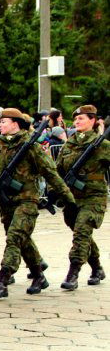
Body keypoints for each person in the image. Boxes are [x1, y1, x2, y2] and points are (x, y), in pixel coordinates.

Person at [0, 109, 75, 298]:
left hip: (27, 201)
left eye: (4, 122)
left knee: (14, 238)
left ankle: (3, 280)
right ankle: (39, 276)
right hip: (6, 203)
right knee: (23, 242)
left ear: (15, 123)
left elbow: (50, 173)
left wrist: (69, 200)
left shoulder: (30, 147)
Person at [55, 105, 109, 289]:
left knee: (82, 231)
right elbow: (58, 169)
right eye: (76, 119)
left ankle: (73, 273)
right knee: (81, 233)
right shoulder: (69, 143)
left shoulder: (103, 145)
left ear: (93, 121)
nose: (77, 122)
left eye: (81, 119)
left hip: (94, 196)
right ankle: (97, 268)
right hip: (72, 197)